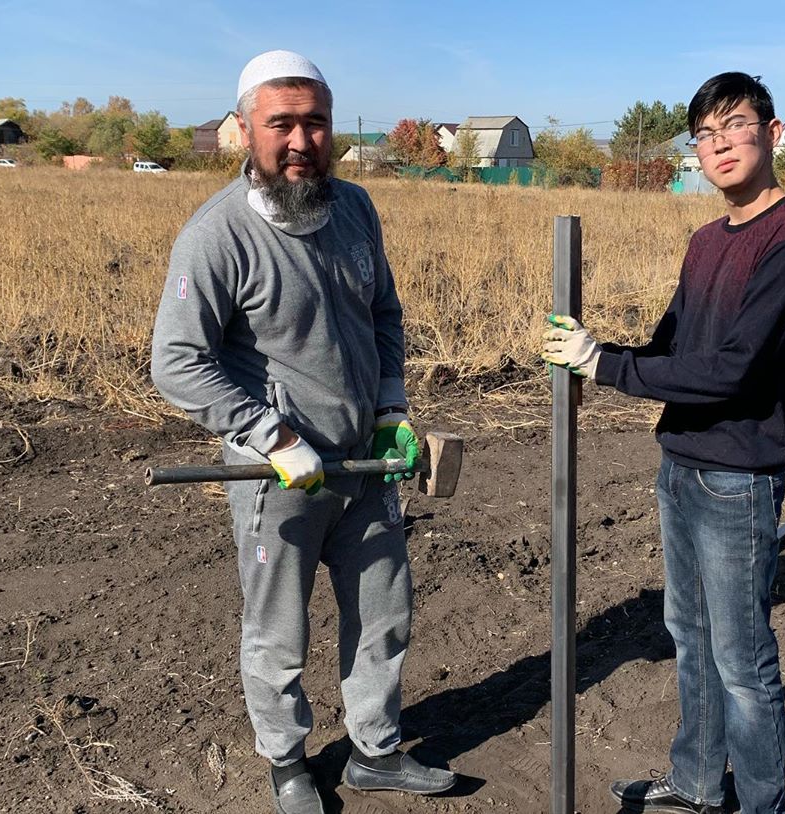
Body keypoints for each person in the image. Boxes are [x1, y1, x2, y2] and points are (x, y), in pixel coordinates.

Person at [151, 50, 456, 814]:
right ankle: (287, 763)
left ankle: (374, 752)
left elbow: (384, 313)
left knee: (385, 613)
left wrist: (390, 409)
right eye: (280, 123)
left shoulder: (355, 208)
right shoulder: (217, 235)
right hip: (277, 476)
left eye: (314, 122)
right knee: (278, 631)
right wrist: (271, 435)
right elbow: (177, 362)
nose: (299, 140)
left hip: (366, 462)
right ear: (245, 132)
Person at [541, 72, 785, 814]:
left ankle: (761, 802)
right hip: (682, 466)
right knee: (691, 640)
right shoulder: (707, 241)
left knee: (742, 661)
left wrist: (606, 366)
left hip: (739, 477)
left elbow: (735, 370)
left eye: (733, 125)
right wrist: (597, 350)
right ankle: (700, 784)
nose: (718, 144)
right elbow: (674, 344)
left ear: (771, 133)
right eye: (704, 134)